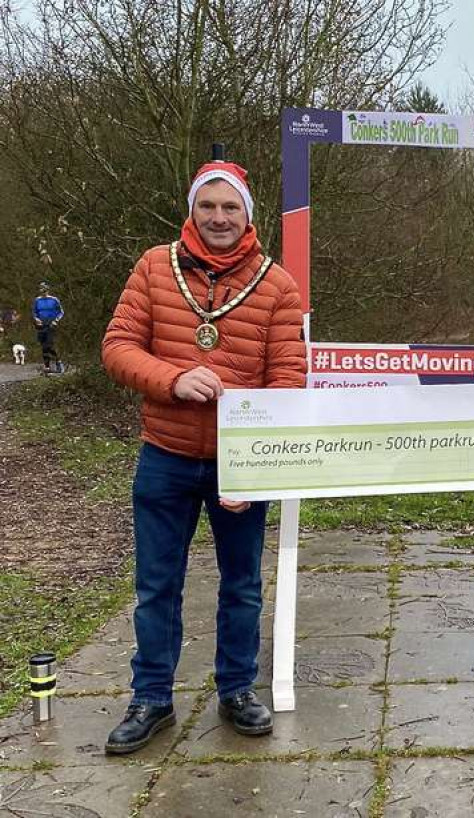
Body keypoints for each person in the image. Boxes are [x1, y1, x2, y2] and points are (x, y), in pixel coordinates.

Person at [101, 159, 307, 754]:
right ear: (192, 209)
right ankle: (151, 698)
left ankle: (237, 688)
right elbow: (116, 348)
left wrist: (254, 460)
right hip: (164, 455)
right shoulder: (153, 267)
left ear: (248, 214)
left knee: (241, 583)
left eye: (230, 207)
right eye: (208, 206)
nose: (218, 218)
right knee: (156, 584)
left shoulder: (276, 284)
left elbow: (288, 381)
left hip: (237, 462)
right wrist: (171, 379)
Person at [33, 282, 64, 373]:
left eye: (45, 291)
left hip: (51, 323)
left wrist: (56, 320)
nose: (43, 293)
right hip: (41, 324)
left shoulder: (54, 300)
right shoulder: (37, 300)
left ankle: (59, 362)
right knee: (43, 346)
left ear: (48, 291)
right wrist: (37, 319)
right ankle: (47, 366)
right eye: (41, 291)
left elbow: (61, 312)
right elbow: (34, 312)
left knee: (49, 344)